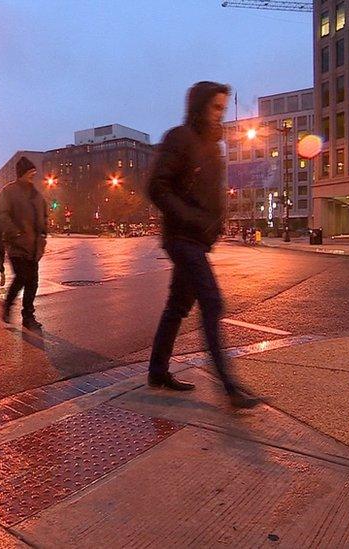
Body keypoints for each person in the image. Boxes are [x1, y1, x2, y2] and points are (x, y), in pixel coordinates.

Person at [146, 81, 259, 409]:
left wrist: (216, 224)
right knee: (212, 302)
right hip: (182, 237)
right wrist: (193, 218)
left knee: (178, 307)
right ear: (199, 106)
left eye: (223, 108)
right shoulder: (179, 138)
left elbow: (213, 194)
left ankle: (157, 371)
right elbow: (157, 187)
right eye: (215, 107)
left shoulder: (213, 147)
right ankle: (229, 385)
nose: (219, 114)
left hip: (200, 239)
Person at [0, 156, 48, 330]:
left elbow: (44, 215)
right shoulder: (9, 191)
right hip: (16, 244)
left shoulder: (37, 195)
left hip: (34, 246)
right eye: (30, 173)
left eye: (34, 173)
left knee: (33, 282)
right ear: (21, 174)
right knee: (22, 277)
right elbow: (1, 215)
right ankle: (7, 305)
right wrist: (14, 232)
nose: (33, 176)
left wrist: (43, 234)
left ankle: (28, 316)